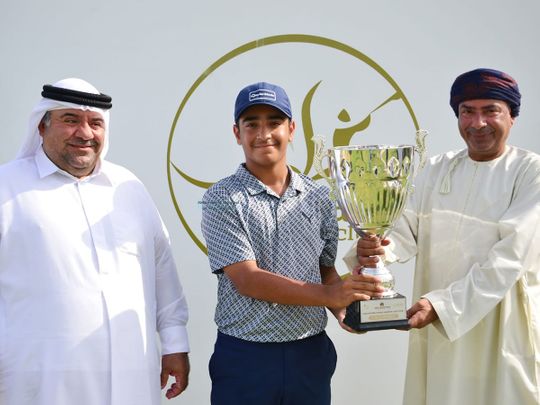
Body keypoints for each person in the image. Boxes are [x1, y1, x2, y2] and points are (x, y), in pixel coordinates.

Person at [349, 68, 540, 404]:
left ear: (512, 116)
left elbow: (509, 258)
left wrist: (442, 305)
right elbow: (404, 230)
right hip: (438, 332)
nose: (477, 123)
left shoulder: (530, 172)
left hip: (500, 331)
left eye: (490, 111)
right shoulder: (437, 169)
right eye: (467, 111)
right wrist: (375, 251)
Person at [0, 78, 190, 405]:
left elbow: (162, 272)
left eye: (95, 123)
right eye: (70, 120)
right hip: (40, 385)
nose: (85, 133)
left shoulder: (129, 188)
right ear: (42, 127)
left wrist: (174, 344)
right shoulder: (7, 189)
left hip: (131, 381)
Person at [200, 82, 384, 405]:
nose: (263, 133)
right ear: (236, 132)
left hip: (308, 355)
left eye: (274, 122)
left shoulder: (319, 197)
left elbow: (324, 270)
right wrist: (330, 294)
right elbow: (248, 280)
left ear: (292, 128)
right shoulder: (221, 198)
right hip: (245, 357)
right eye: (251, 124)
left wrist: (345, 309)